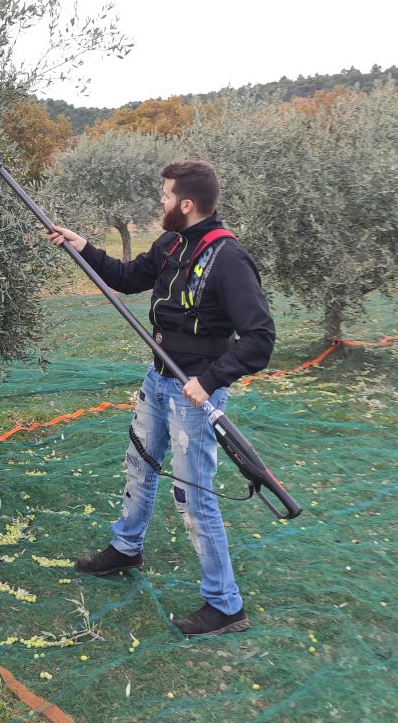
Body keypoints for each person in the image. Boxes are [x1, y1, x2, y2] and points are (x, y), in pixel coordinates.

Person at [48, 159, 275, 638]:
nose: (161, 201)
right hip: (158, 378)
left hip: (194, 392)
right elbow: (127, 277)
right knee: (140, 466)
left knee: (193, 496)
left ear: (186, 204)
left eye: (167, 195)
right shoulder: (170, 244)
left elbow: (260, 339)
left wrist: (211, 380)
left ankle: (225, 604)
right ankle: (126, 548)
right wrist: (82, 245)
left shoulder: (228, 258)